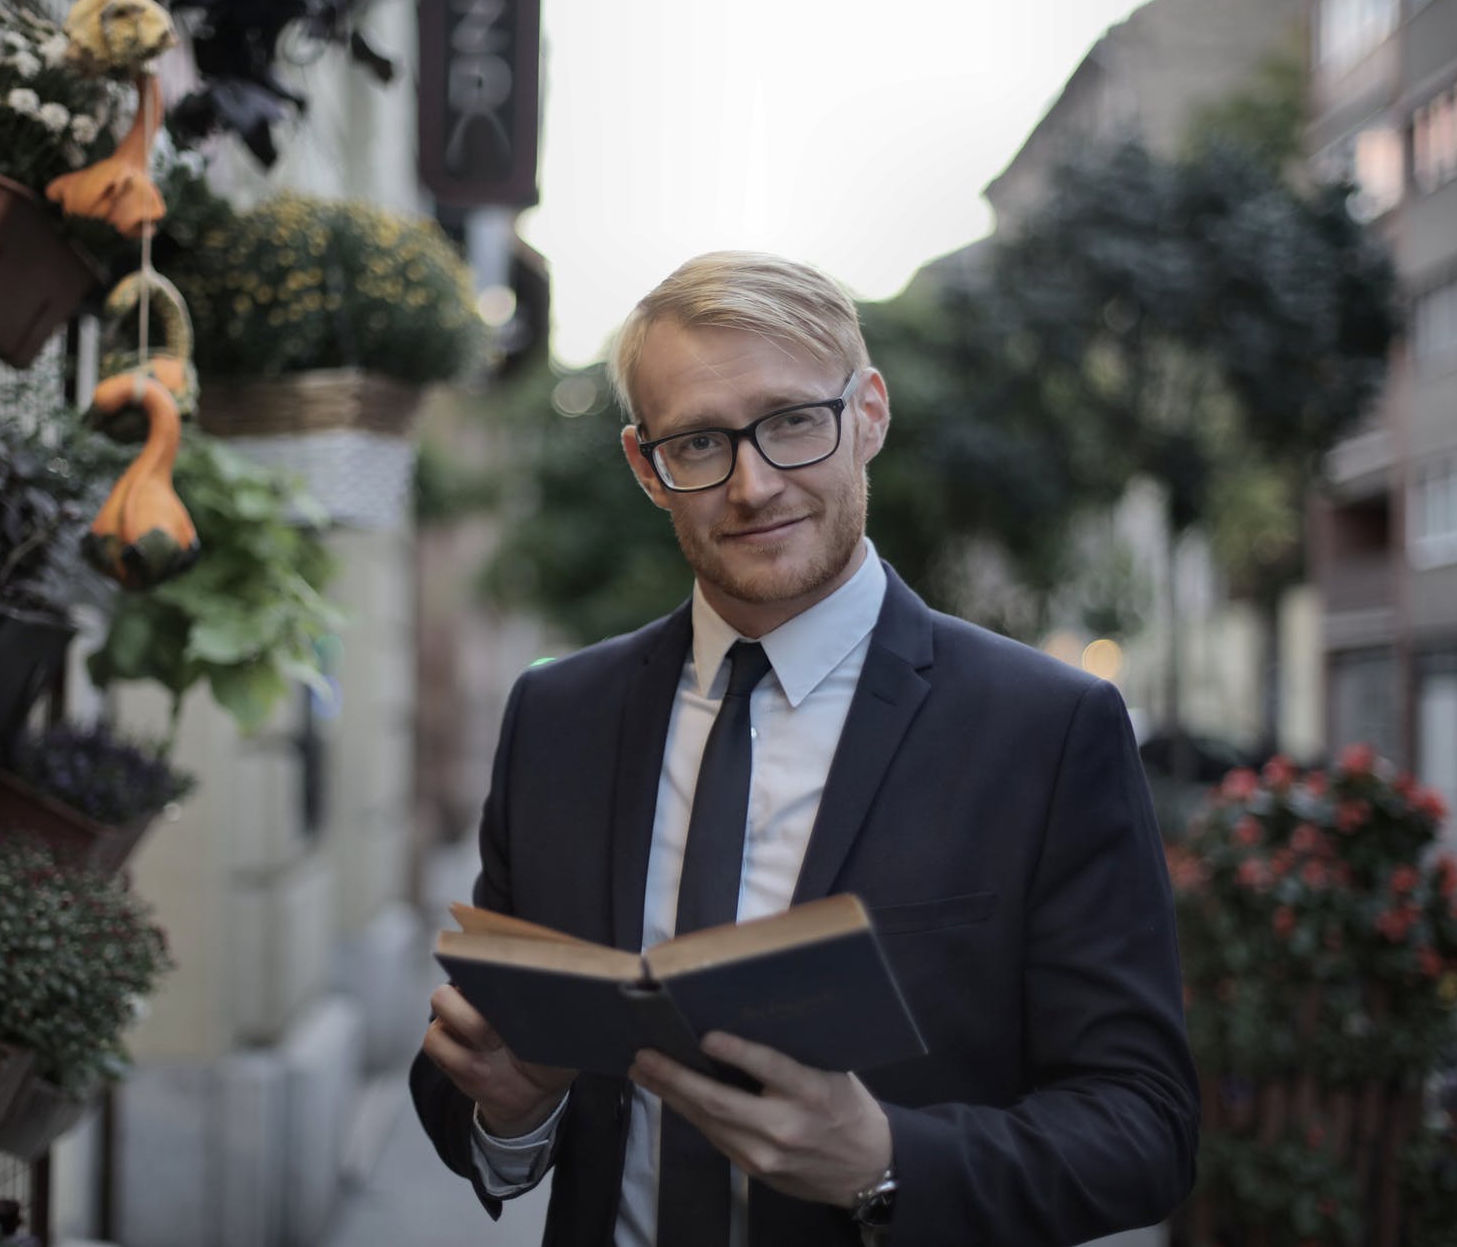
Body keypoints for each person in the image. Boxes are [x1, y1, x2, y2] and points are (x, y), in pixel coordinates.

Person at [410, 251, 1198, 1246]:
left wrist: (883, 1161)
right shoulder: (555, 716)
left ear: (866, 412)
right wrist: (508, 1111)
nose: (751, 484)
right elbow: (469, 1066)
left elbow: (1145, 1128)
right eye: (698, 441)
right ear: (642, 464)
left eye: (790, 421)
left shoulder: (1046, 728)